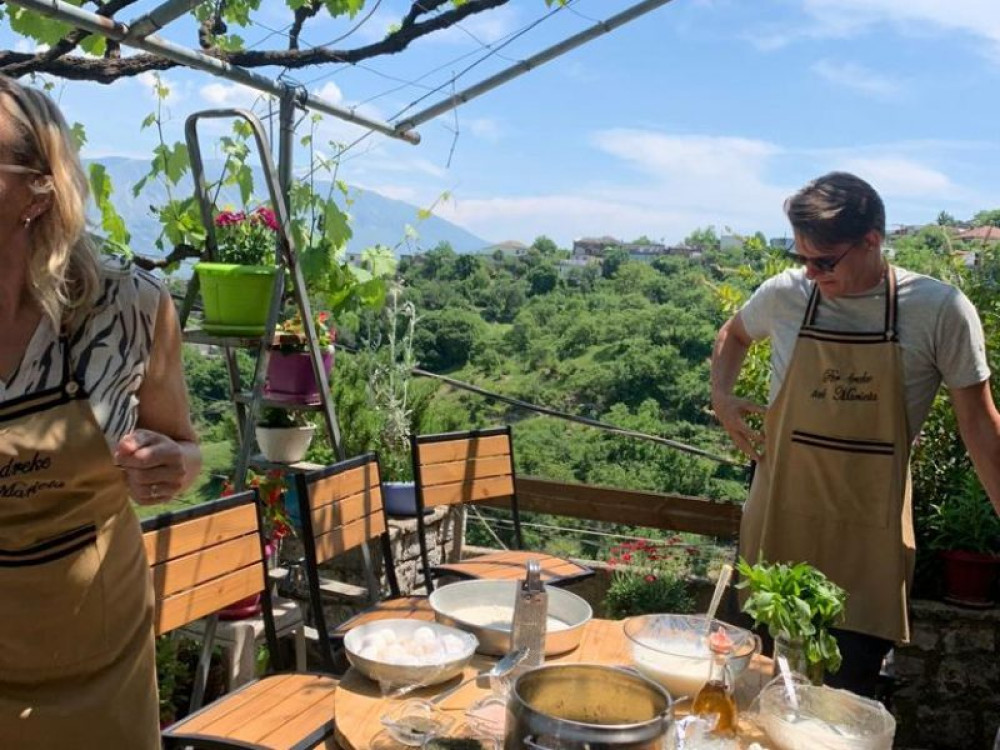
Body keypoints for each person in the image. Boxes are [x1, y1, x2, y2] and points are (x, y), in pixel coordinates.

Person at [711, 171, 1000, 698]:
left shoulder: (939, 310)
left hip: (867, 540)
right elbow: (733, 334)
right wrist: (723, 400)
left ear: (872, 241)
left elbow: (980, 426)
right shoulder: (786, 294)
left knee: (841, 704)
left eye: (824, 261)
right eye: (802, 259)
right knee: (750, 695)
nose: (811, 273)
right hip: (779, 521)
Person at [0, 77, 201, 747]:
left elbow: (184, 447)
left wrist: (172, 467)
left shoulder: (127, 309)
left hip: (99, 664)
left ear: (38, 189)